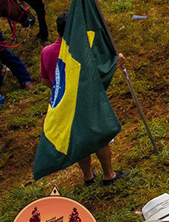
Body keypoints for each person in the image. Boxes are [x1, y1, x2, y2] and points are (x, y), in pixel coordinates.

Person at [40, 12, 128, 185]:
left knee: (80, 139)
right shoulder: (82, 50)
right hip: (87, 102)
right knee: (100, 138)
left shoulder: (46, 52)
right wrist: (116, 62)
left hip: (65, 105)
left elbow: (45, 79)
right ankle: (109, 174)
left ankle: (88, 176)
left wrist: (61, 92)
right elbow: (99, 73)